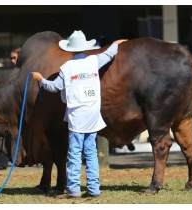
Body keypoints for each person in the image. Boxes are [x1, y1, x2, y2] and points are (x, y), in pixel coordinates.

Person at [32, 30, 127, 199]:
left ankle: (74, 190)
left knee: (75, 153)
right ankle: (94, 189)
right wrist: (117, 43)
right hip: (92, 114)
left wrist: (40, 79)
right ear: (85, 47)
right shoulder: (94, 61)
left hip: (77, 116)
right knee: (91, 152)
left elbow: (54, 87)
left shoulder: (67, 68)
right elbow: (109, 53)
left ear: (70, 49)